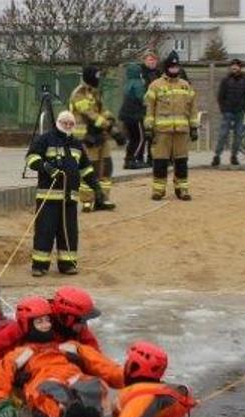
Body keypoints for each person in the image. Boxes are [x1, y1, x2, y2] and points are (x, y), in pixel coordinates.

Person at [0, 297, 126, 417]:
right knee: (49, 395)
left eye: (47, 320)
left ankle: (98, 416)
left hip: (75, 378)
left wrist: (130, 378)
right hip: (46, 382)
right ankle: (68, 415)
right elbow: (1, 373)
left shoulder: (69, 346)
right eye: (39, 322)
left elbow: (102, 365)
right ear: (28, 325)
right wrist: (1, 402)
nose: (45, 325)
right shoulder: (23, 353)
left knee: (96, 386)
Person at [53, 341, 197, 417]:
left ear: (133, 366)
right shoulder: (160, 390)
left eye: (128, 362)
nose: (125, 365)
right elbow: (109, 372)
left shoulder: (143, 398)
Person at [27, 110, 93, 276]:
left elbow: (85, 167)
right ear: (58, 122)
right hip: (48, 197)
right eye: (65, 123)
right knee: (45, 231)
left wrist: (96, 186)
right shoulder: (45, 139)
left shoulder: (77, 144)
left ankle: (67, 264)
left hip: (69, 199)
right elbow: (31, 158)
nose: (68, 126)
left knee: (69, 232)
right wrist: (47, 168)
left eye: (71, 124)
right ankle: (39, 266)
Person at [144, 54, 198, 201]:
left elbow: (193, 108)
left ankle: (182, 189)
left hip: (181, 132)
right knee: (160, 162)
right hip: (162, 133)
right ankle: (158, 190)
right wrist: (148, 128)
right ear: (166, 68)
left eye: (176, 66)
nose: (174, 69)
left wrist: (194, 127)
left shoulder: (185, 85)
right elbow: (149, 108)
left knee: (181, 162)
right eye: (171, 67)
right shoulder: (155, 85)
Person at [69, 65, 118, 211]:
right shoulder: (79, 93)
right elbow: (89, 114)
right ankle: (87, 200)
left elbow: (102, 109)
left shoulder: (95, 92)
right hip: (87, 136)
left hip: (100, 135)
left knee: (106, 167)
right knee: (91, 168)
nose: (98, 79)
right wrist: (109, 127)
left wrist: (110, 119)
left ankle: (102, 198)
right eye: (96, 76)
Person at [119, 53, 159, 170]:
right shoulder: (138, 84)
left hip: (126, 114)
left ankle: (129, 158)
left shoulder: (128, 83)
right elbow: (143, 99)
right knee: (140, 138)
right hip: (135, 115)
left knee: (132, 138)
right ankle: (132, 159)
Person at [213, 59, 245, 166]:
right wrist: (223, 109)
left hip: (240, 112)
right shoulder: (225, 81)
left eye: (236, 66)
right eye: (232, 66)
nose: (234, 68)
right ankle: (217, 156)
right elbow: (220, 96)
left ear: (240, 68)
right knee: (223, 134)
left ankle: (234, 156)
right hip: (227, 111)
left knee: (238, 135)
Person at [47, 285, 104, 352]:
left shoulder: (78, 327)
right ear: (66, 316)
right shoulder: (39, 325)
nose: (83, 325)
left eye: (84, 320)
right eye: (80, 319)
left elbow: (94, 350)